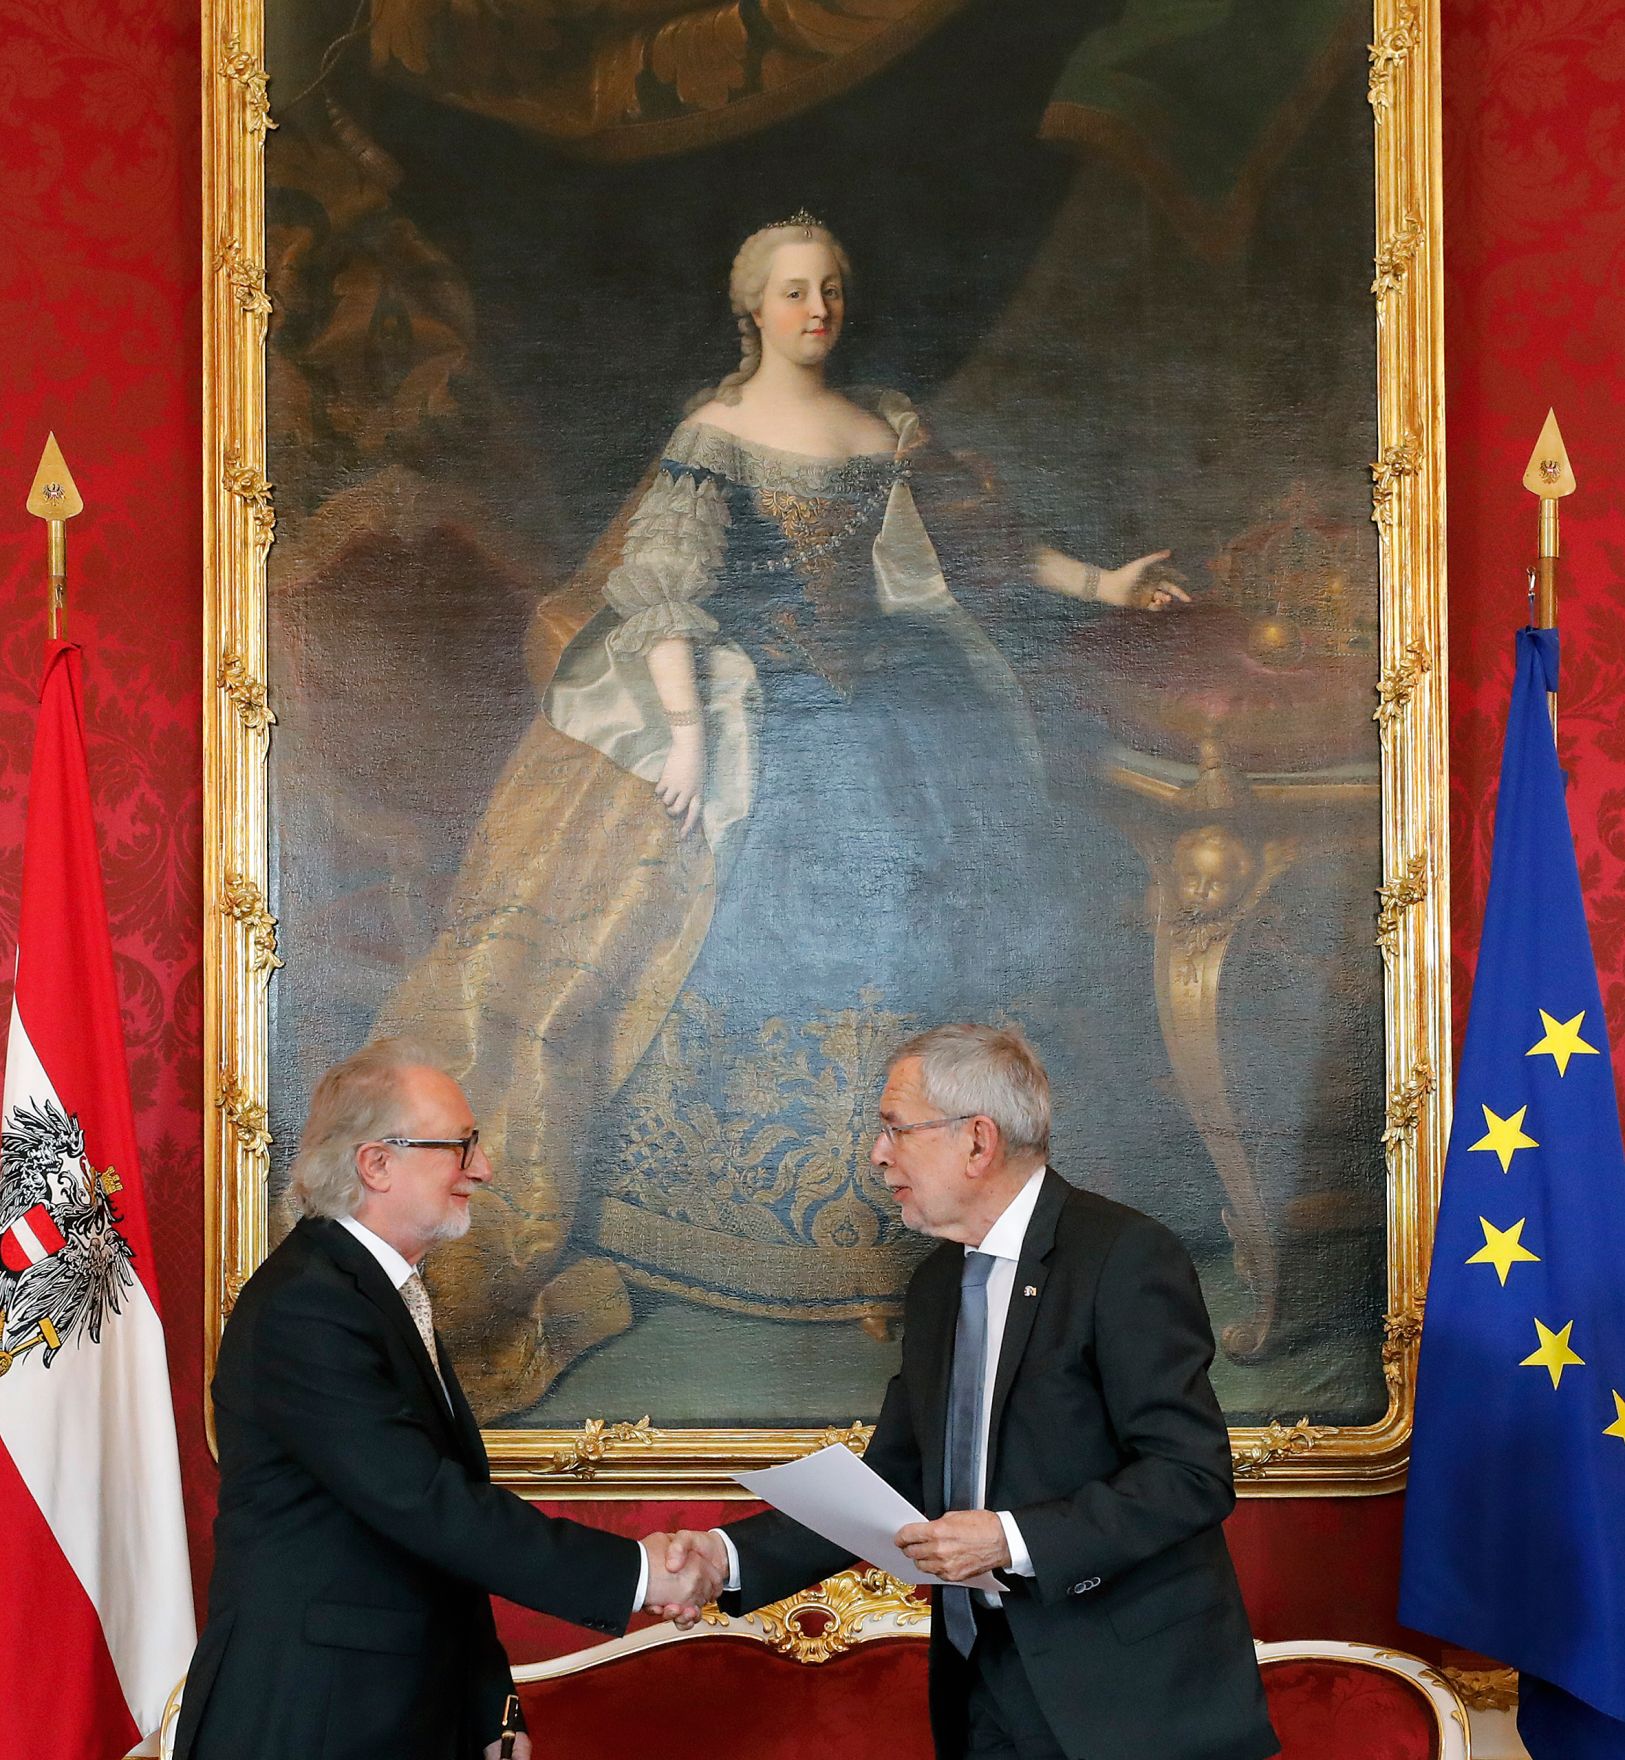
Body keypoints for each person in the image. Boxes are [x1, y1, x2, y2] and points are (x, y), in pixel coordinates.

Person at [379, 212, 1186, 1418]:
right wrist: (690, 742)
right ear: (749, 307)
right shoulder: (716, 434)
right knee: (735, 936)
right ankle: (734, 1228)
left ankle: (901, 1223)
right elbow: (659, 593)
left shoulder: (885, 424)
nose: (819, 308)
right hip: (761, 714)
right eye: (795, 291)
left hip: (896, 710)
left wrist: (1101, 583)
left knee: (929, 941)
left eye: (832, 289)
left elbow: (982, 547)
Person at [666, 1024, 1278, 1760]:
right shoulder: (936, 1285)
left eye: (894, 1128)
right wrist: (722, 1557)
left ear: (977, 1142)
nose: (877, 1154)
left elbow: (1189, 1474)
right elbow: (895, 1480)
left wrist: (1010, 1539)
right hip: (980, 1684)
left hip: (1127, 1703)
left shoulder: (1123, 1257)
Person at [171, 1039, 725, 1760]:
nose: (483, 1169)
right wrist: (643, 1573)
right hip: (310, 1716)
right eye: (461, 1146)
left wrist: (489, 1709)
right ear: (376, 1163)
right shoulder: (307, 1305)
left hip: (389, 1712)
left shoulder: (375, 1293)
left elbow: (431, 1543)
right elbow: (424, 1503)